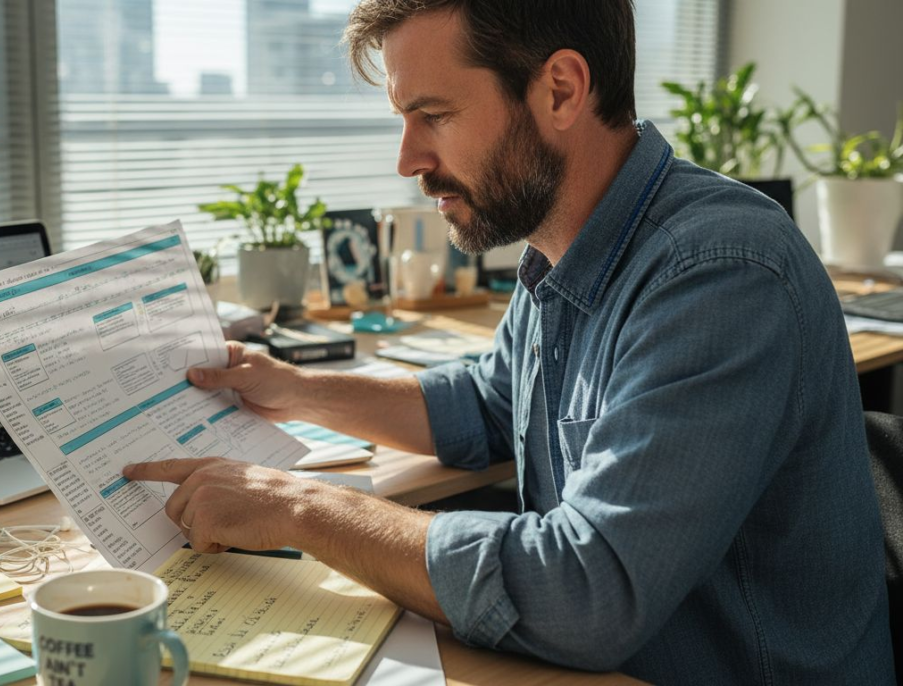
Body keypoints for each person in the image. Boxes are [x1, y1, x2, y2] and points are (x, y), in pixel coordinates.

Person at [125, 1, 896, 682]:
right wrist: (291, 386)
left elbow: (590, 592)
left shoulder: (720, 274)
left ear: (560, 89)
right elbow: (489, 404)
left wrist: (298, 508)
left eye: (436, 115)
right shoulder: (567, 245)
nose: (409, 161)